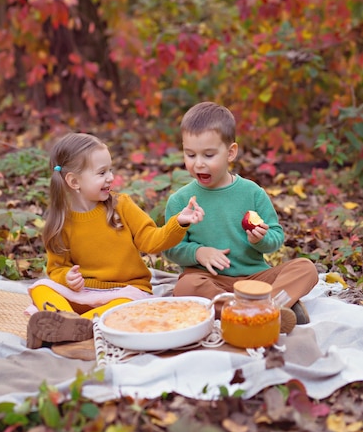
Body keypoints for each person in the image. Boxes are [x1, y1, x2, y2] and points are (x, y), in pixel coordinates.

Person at [27, 132, 204, 348]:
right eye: (102, 172)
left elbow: (152, 241)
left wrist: (180, 222)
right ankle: (63, 320)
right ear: (74, 181)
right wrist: (67, 277)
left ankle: (76, 326)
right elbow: (56, 269)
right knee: (41, 287)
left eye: (110, 169)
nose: (110, 177)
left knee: (124, 308)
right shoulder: (61, 221)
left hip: (125, 291)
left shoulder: (122, 205)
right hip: (84, 292)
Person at [163, 101, 319, 333]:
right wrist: (198, 252)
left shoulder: (252, 193)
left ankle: (264, 305)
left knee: (306, 269)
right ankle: (269, 310)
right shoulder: (180, 200)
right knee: (186, 286)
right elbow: (170, 248)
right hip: (210, 280)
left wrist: (260, 240)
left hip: (255, 279)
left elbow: (276, 236)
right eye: (190, 154)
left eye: (208, 154)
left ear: (231, 152)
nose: (198, 163)